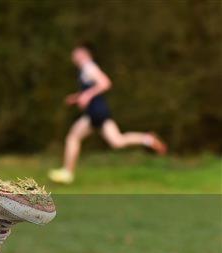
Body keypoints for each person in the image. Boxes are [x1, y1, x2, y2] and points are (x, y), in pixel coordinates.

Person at [48, 44, 167, 184]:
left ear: (84, 54)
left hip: (96, 112)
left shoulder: (89, 67)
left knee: (73, 137)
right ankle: (147, 139)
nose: (73, 57)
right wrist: (77, 97)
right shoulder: (85, 69)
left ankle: (67, 172)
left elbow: (105, 83)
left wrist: (86, 96)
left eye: (76, 54)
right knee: (117, 141)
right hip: (97, 112)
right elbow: (93, 88)